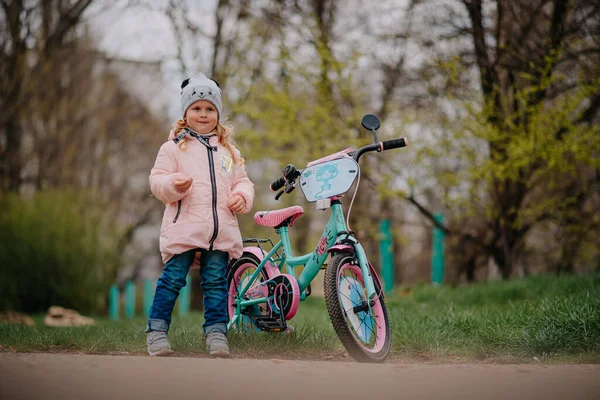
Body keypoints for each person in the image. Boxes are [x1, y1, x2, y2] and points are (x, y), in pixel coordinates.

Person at [146, 72, 254, 357]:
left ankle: (217, 332)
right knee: (172, 280)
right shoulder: (173, 148)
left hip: (220, 232)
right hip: (184, 229)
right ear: (185, 113)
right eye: (196, 108)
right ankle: (157, 331)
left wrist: (242, 196)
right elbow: (157, 181)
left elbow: (242, 181)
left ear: (217, 114)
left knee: (217, 282)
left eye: (209, 109)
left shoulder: (228, 153)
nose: (203, 114)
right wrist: (173, 185)